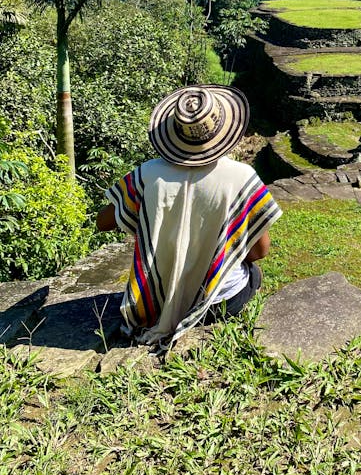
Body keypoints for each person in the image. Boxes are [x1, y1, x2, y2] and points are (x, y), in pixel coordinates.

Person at [96, 84, 282, 347]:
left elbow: (103, 222)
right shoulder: (242, 178)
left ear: (174, 130)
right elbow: (259, 251)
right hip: (220, 302)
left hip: (156, 306)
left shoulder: (147, 175)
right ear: (223, 128)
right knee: (254, 274)